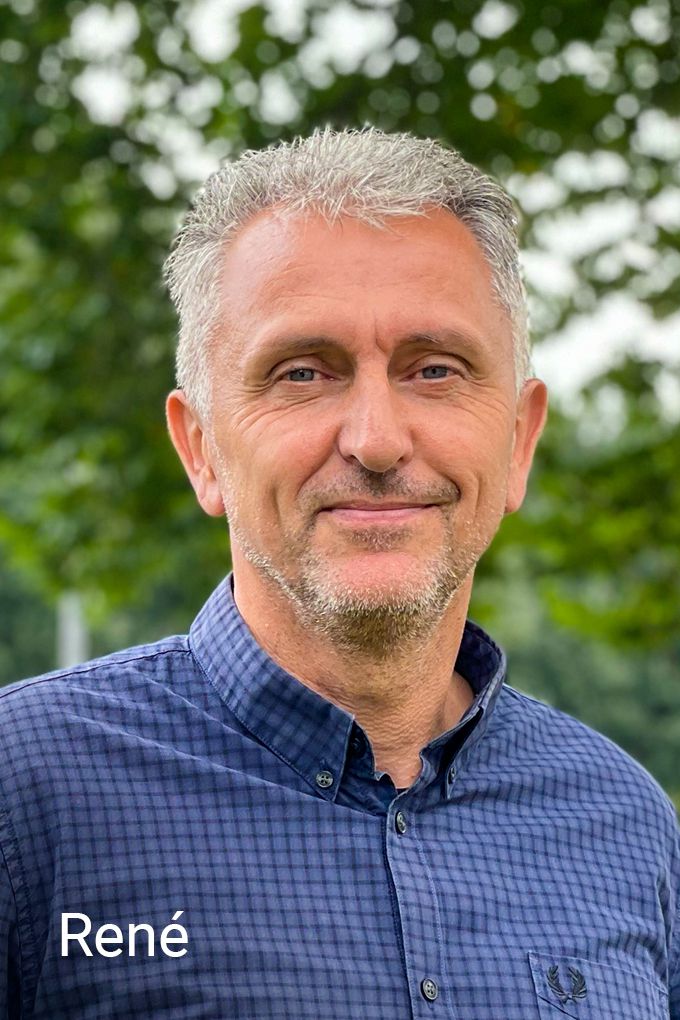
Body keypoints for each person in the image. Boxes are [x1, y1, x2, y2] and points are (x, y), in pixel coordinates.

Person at [0, 127, 678, 1020]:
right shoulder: (27, 790)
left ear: (519, 442)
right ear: (200, 448)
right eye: (302, 373)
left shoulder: (627, 824)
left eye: (434, 369)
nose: (377, 440)